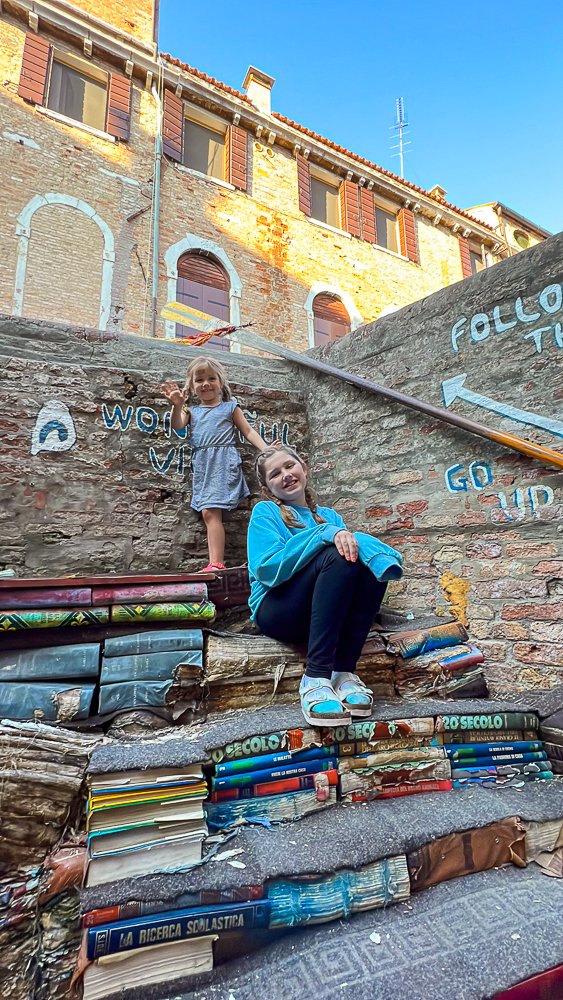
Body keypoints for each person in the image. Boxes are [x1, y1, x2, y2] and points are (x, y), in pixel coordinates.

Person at [248, 445, 404, 726]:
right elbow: (266, 568)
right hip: (278, 609)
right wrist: (323, 536)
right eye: (275, 474)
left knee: (361, 559)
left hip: (323, 613)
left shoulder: (329, 516)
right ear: (267, 487)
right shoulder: (266, 512)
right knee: (337, 552)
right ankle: (315, 679)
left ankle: (343, 673)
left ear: (303, 468)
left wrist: (337, 534)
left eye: (289, 466)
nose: (286, 475)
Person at [162, 356, 268, 573]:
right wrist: (177, 406)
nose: (206, 384)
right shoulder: (192, 411)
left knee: (211, 512)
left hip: (222, 462)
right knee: (207, 512)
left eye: (211, 378)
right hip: (203, 464)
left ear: (221, 382)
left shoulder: (230, 408)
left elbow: (248, 431)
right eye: (199, 380)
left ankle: (216, 563)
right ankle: (215, 562)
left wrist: (266, 449)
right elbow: (177, 425)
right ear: (192, 386)